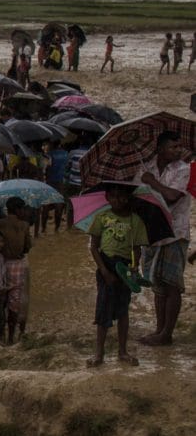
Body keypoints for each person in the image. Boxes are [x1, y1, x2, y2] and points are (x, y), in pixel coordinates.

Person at [139, 132, 192, 346]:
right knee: (157, 286)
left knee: (172, 285)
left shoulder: (183, 169)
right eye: (173, 147)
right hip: (150, 233)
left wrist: (152, 183)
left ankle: (167, 333)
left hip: (174, 233)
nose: (179, 150)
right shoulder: (145, 168)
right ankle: (160, 330)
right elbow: (137, 195)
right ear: (160, 149)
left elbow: (171, 198)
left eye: (180, 146)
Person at [88, 185, 149, 367]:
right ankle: (99, 353)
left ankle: (123, 351)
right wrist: (105, 271)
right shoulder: (102, 217)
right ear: (107, 198)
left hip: (125, 268)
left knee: (123, 309)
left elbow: (137, 248)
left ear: (128, 198)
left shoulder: (135, 221)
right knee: (103, 309)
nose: (118, 200)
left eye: (122, 197)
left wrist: (134, 266)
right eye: (113, 196)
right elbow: (93, 247)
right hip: (106, 265)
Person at [0, 199, 35, 339]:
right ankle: (11, 336)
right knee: (14, 302)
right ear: (18, 210)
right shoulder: (24, 225)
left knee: (0, 299)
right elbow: (27, 247)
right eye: (22, 209)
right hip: (16, 266)